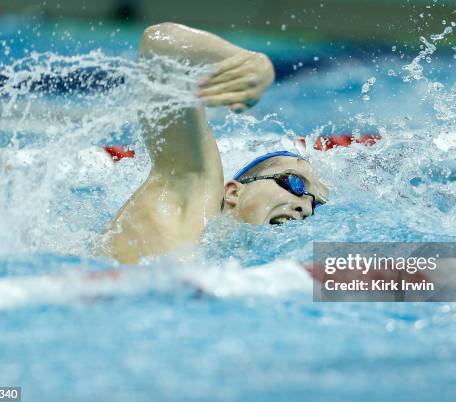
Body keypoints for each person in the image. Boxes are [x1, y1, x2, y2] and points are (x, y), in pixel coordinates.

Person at [102, 22, 328, 264]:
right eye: (295, 183)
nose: (305, 207)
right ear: (233, 191)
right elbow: (160, 46)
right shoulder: (190, 200)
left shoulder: (237, 270)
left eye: (315, 205)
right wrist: (249, 61)